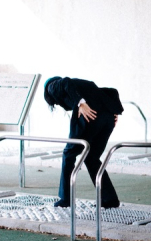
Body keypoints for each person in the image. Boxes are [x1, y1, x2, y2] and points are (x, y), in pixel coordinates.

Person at [43, 76, 123, 208]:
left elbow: (65, 81)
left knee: (69, 154)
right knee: (92, 158)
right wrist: (115, 111)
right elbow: (112, 91)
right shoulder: (83, 86)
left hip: (89, 116)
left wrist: (80, 103)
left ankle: (66, 198)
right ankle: (110, 199)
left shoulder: (51, 86)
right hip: (107, 119)